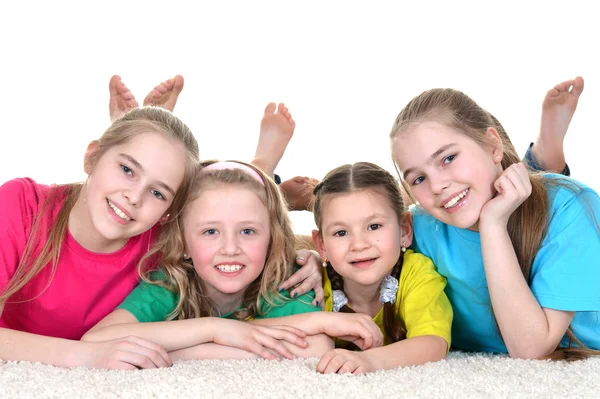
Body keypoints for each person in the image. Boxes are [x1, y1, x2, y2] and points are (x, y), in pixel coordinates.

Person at [83, 161, 383, 365]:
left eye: (248, 231)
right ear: (184, 242)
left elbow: (316, 348)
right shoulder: (169, 282)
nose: (230, 248)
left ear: (271, 239)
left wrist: (184, 351)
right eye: (210, 231)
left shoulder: (284, 280)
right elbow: (98, 338)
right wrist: (213, 329)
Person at [389, 78, 600, 360]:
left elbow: (530, 349)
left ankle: (540, 158)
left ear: (492, 145)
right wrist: (316, 263)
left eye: (448, 158)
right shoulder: (422, 227)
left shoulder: (571, 205)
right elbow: (353, 250)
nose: (437, 185)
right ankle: (537, 159)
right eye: (418, 178)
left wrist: (493, 224)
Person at [0, 106, 200, 368]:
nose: (134, 197)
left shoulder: (160, 244)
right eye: (127, 169)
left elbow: (231, 218)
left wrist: (265, 160)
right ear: (92, 157)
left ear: (168, 212)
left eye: (157, 193)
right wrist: (86, 355)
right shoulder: (21, 205)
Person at [305, 162, 452, 374]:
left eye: (374, 226)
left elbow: (434, 343)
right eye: (341, 233)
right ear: (321, 245)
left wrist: (370, 361)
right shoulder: (314, 283)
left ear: (404, 230)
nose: (359, 244)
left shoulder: (417, 273)